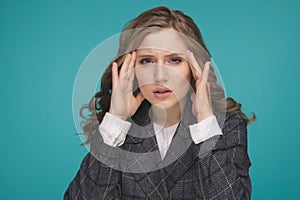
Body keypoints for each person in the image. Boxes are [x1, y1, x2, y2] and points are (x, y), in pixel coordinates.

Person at [64, 6, 256, 200]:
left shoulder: (228, 126)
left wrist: (205, 121)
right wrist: (115, 120)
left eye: (174, 60)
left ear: (194, 66)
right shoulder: (120, 130)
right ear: (131, 68)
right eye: (147, 61)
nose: (160, 76)